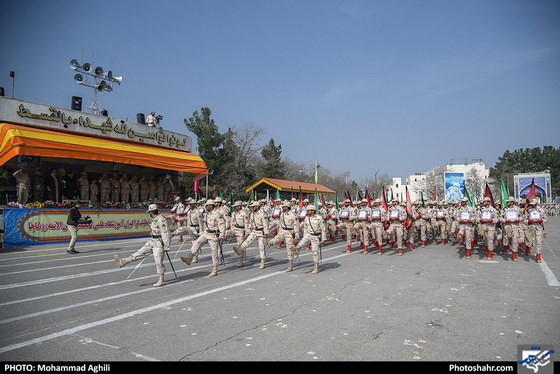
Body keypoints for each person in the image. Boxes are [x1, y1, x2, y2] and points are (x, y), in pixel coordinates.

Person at [114, 204, 171, 287]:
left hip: (159, 243)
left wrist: (166, 246)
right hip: (152, 241)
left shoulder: (161, 220)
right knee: (140, 252)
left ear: (151, 212)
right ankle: (124, 262)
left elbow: (166, 233)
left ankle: (161, 280)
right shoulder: (155, 219)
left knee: (158, 262)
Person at [180, 199, 228, 277]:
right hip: (206, 233)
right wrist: (202, 232)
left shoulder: (217, 214)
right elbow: (205, 224)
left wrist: (221, 236)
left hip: (213, 235)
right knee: (196, 242)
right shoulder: (206, 214)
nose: (205, 207)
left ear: (211, 206)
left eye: (207, 205)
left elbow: (222, 225)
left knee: (214, 252)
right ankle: (190, 257)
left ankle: (215, 269)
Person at [234, 200, 270, 269]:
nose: (252, 208)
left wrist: (266, 233)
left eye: (253, 206)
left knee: (261, 248)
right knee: (247, 241)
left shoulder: (263, 214)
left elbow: (265, 225)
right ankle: (240, 249)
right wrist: (247, 232)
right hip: (254, 231)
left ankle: (262, 262)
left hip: (261, 232)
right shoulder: (252, 214)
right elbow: (250, 224)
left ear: (257, 206)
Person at [266, 201, 301, 272]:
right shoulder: (282, 215)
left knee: (289, 249)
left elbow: (296, 227)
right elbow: (281, 224)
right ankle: (269, 244)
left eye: (284, 207)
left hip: (290, 232)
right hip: (283, 231)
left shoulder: (293, 215)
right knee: (275, 239)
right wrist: (279, 232)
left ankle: (290, 265)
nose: (283, 208)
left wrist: (296, 237)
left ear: (287, 207)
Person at [292, 205, 326, 274]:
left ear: (313, 211)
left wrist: (323, 239)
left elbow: (323, 229)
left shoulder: (319, 218)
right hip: (308, 234)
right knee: (301, 243)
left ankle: (316, 268)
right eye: (307, 210)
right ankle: (296, 249)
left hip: (316, 236)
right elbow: (305, 227)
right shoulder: (306, 218)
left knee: (315, 252)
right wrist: (304, 236)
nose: (308, 211)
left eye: (309, 210)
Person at [524, 198, 548, 263]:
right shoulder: (528, 210)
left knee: (538, 241)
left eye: (534, 204)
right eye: (531, 204)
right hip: (531, 226)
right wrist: (528, 221)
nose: (532, 205)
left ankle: (538, 255)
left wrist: (542, 221)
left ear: (537, 204)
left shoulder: (541, 210)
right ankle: (528, 248)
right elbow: (524, 219)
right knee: (529, 240)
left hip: (539, 226)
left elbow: (546, 219)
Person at [500, 196, 522, 261]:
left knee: (515, 240)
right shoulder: (504, 209)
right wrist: (505, 220)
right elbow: (500, 218)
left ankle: (514, 255)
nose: (507, 203)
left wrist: (518, 219)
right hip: (507, 226)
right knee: (506, 239)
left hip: (515, 226)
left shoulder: (517, 209)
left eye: (508, 202)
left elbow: (522, 217)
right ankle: (505, 249)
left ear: (512, 202)